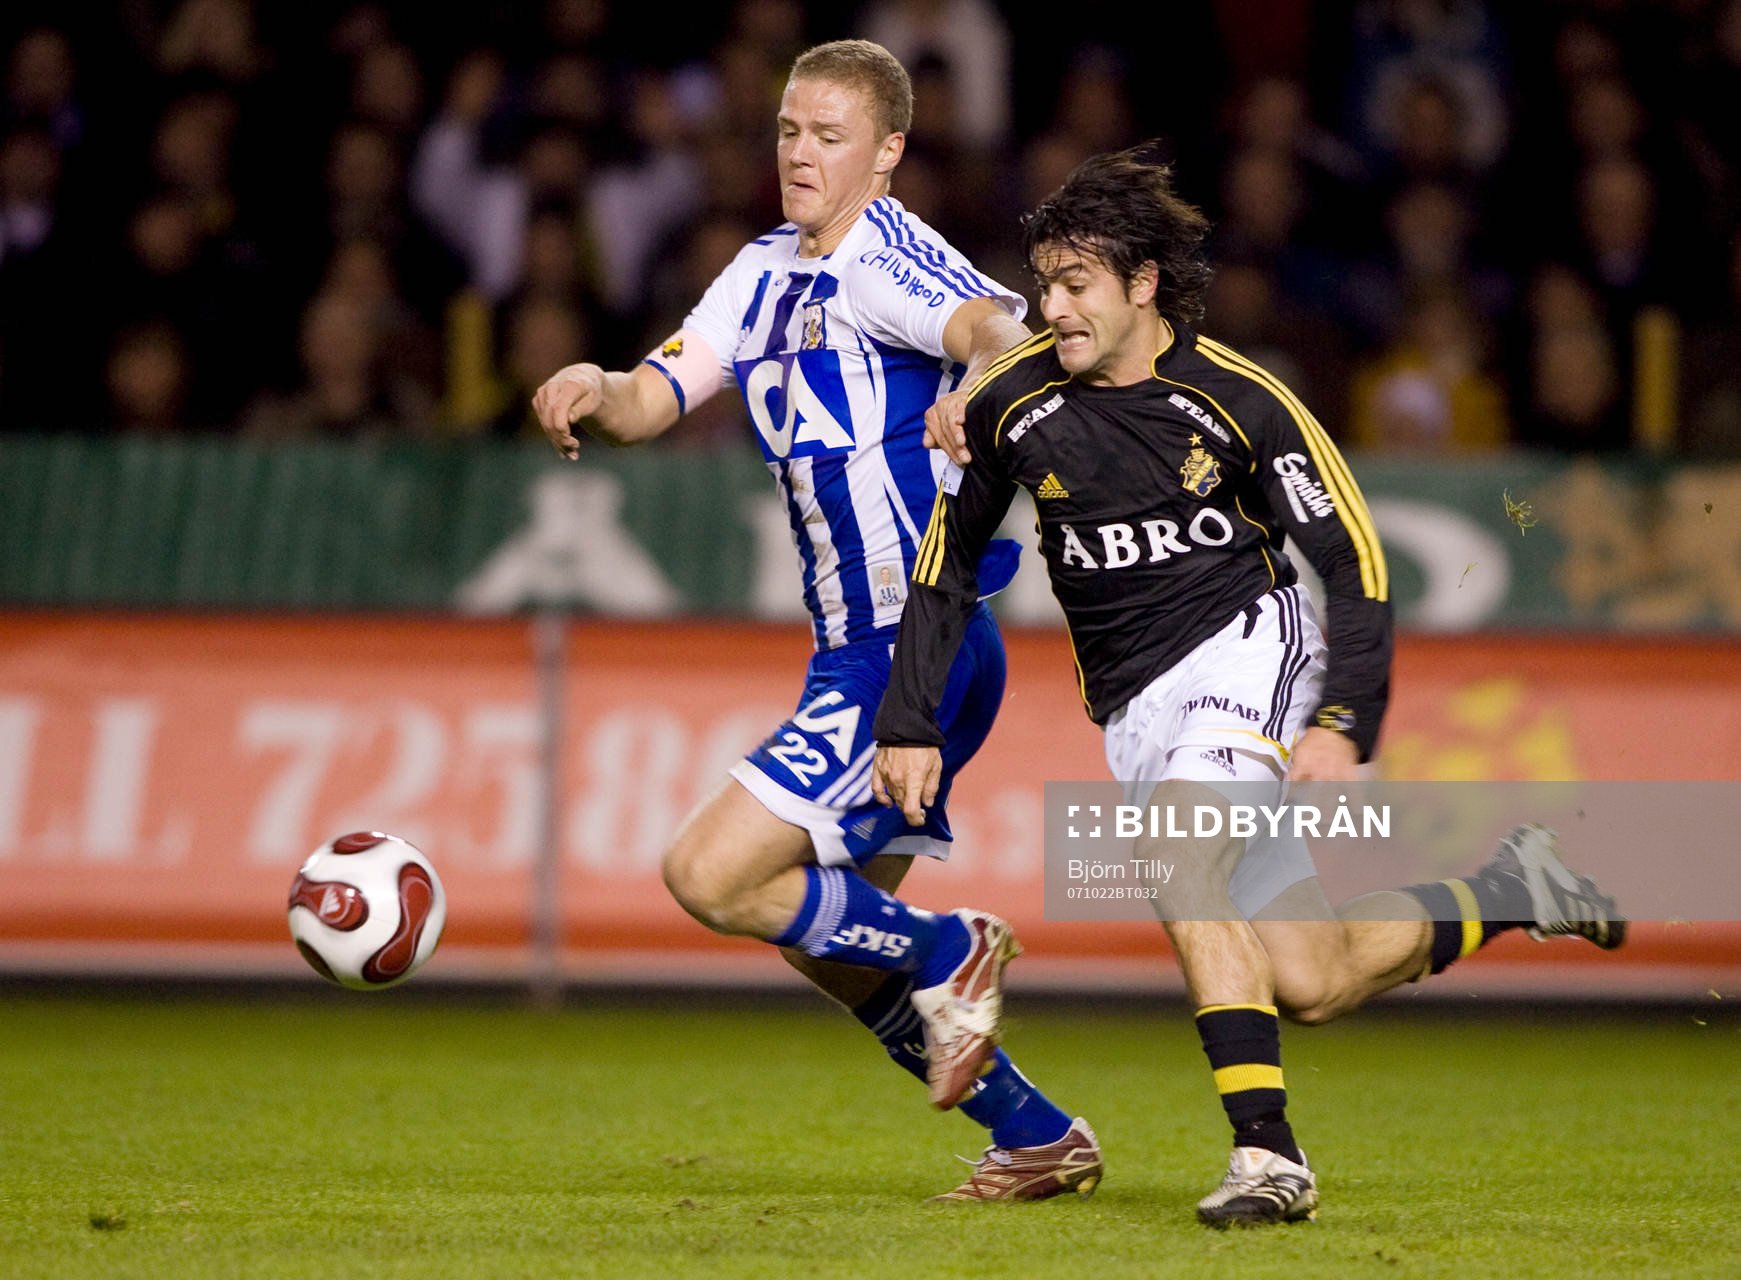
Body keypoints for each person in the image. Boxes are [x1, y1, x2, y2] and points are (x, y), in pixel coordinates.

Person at [871, 146, 1625, 1227]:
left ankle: (1267, 1155)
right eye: (1044, 284)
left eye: (1075, 283)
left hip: (1246, 648)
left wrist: (1344, 715)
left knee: (1177, 855)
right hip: (1135, 708)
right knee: (1312, 979)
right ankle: (1513, 886)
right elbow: (945, 568)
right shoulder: (1012, 400)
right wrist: (911, 719)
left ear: (1141, 283)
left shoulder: (1241, 400)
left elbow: (1354, 562)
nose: (1053, 306)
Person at [531, 40, 1101, 1203]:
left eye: (828, 135)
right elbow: (658, 394)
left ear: (886, 153)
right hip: (858, 647)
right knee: (822, 936)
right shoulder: (759, 271)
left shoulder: (888, 259)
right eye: (789, 130)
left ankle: (957, 950)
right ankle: (1038, 1134)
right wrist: (600, 382)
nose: (798, 152)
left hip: (911, 643)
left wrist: (969, 386)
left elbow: (997, 328)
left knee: (709, 872)